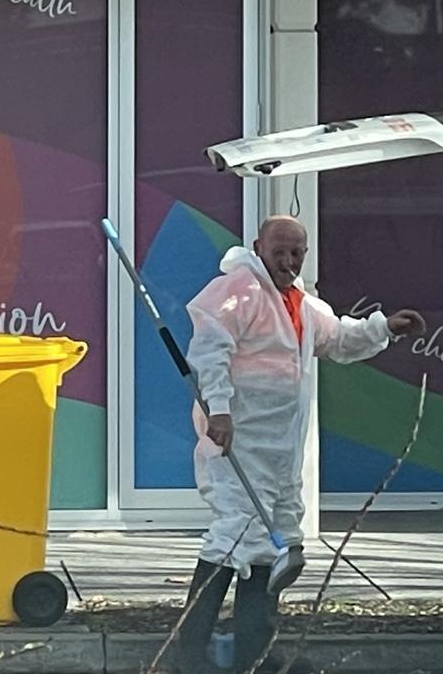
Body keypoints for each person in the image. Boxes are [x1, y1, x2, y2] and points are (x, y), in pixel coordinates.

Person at [171, 215, 426, 674]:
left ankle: (257, 651)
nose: (288, 262)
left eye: (296, 253)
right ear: (258, 247)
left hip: (281, 449)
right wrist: (221, 410)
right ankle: (187, 654)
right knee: (233, 536)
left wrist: (384, 327)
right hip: (239, 441)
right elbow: (210, 349)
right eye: (279, 252)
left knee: (276, 542)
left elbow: (339, 340)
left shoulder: (302, 303)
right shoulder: (239, 291)